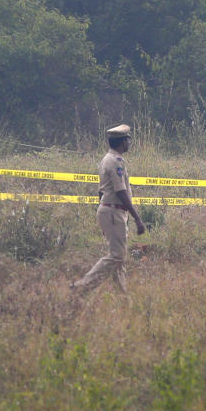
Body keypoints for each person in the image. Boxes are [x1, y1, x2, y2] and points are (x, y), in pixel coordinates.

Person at [71, 124, 146, 294]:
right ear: (122, 142)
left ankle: (123, 297)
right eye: (128, 140)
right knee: (117, 256)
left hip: (110, 212)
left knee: (118, 259)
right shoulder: (115, 162)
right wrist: (137, 218)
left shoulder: (107, 159)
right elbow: (121, 191)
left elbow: (101, 191)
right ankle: (81, 287)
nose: (129, 143)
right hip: (113, 211)